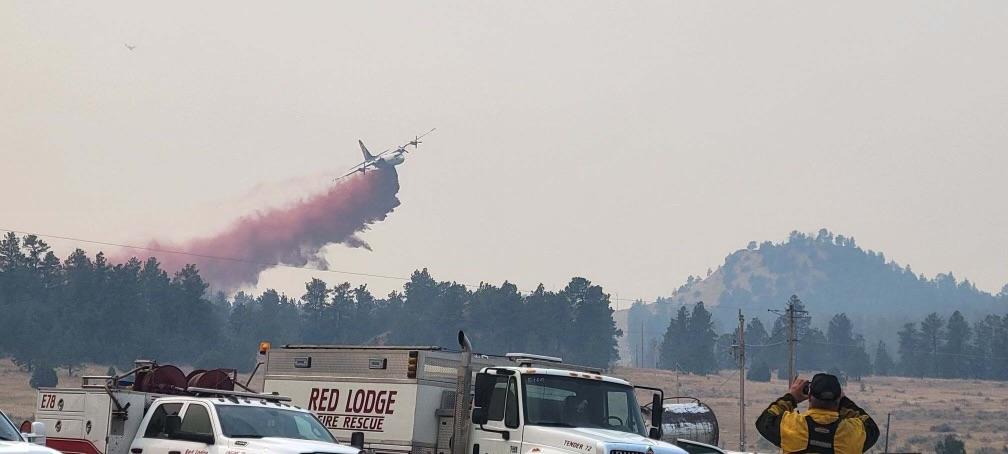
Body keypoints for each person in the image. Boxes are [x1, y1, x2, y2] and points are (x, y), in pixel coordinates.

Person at [755, 373, 879, 453]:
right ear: (838, 399)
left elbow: (764, 421)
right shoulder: (851, 432)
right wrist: (845, 402)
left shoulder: (792, 426)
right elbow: (872, 429)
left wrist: (792, 397)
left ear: (809, 396)